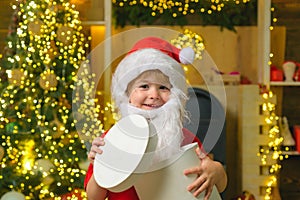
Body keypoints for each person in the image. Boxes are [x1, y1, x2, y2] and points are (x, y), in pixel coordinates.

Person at [84, 36, 227, 200]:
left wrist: (216, 170)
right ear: (127, 94)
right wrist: (100, 167)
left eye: (163, 88)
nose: (154, 95)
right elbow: (94, 197)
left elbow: (220, 184)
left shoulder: (185, 138)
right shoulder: (111, 140)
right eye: (144, 86)